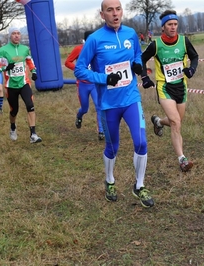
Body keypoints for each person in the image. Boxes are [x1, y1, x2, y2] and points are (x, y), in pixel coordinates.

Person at [74, 0, 154, 208]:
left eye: (118, 9)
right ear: (102, 15)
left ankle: (139, 185)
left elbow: (137, 54)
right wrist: (103, 78)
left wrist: (137, 64)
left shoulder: (130, 34)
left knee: (141, 142)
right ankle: (110, 180)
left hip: (131, 99)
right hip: (108, 104)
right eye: (110, 10)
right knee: (112, 147)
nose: (115, 14)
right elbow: (79, 69)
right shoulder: (94, 39)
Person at [141, 10, 199, 172]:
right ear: (163, 27)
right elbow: (141, 58)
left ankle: (158, 121)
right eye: (169, 25)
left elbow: (195, 57)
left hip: (181, 87)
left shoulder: (184, 41)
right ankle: (182, 159)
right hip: (164, 87)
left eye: (175, 24)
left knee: (177, 121)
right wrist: (144, 76)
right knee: (175, 122)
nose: (173, 27)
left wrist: (191, 70)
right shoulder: (156, 45)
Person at [0, 27, 42, 144]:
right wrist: (5, 67)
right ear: (10, 36)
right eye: (14, 33)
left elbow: (29, 61)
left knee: (30, 105)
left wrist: (33, 71)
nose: (16, 36)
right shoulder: (4, 50)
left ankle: (33, 134)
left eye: (18, 33)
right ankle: (13, 127)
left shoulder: (25, 49)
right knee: (14, 110)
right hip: (11, 85)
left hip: (24, 83)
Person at [64, 30, 105, 140]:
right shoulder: (79, 49)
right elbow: (67, 62)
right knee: (85, 108)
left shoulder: (98, 48)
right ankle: (79, 116)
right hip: (82, 84)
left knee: (99, 106)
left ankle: (101, 131)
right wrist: (79, 70)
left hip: (94, 84)